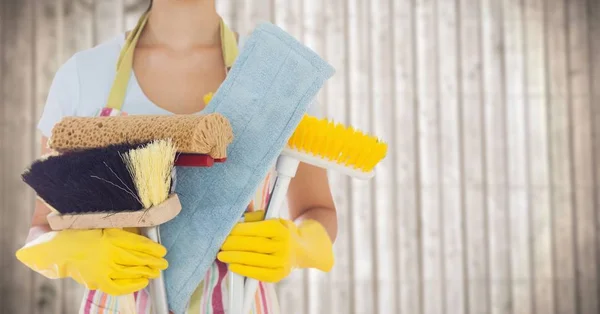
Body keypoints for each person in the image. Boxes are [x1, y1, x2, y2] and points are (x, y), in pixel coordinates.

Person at [15, 0, 338, 313]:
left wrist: (297, 245)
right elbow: (41, 227)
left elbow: (317, 209)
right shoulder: (83, 76)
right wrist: (76, 253)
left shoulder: (275, 78)